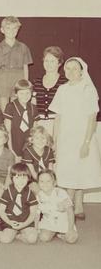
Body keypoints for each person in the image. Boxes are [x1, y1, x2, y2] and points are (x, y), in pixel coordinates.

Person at [48, 57, 101, 220]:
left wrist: (86, 143)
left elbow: (92, 118)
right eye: (67, 68)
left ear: (81, 70)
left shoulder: (87, 89)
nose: (70, 71)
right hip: (66, 137)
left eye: (74, 68)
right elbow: (58, 117)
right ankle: (72, 205)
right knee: (68, 171)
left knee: (80, 170)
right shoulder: (62, 89)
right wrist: (55, 140)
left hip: (82, 137)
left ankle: (75, 205)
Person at [0, 16, 32, 112]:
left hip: (18, 80)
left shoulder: (23, 47)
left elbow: (26, 68)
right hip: (3, 82)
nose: (11, 31)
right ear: (2, 30)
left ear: (18, 30)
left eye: (14, 28)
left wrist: (25, 88)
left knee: (17, 111)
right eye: (8, 28)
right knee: (5, 112)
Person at [0, 163, 38, 244]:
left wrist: (24, 224)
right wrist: (9, 222)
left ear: (28, 178)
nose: (21, 181)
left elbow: (33, 213)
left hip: (25, 222)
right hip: (10, 222)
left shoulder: (30, 193)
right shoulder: (7, 192)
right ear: (12, 178)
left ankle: (18, 236)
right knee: (5, 239)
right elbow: (1, 211)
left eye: (24, 177)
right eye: (17, 178)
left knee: (32, 239)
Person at [35, 170, 78, 244]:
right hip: (48, 222)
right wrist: (36, 228)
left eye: (48, 181)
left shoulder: (61, 193)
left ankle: (60, 234)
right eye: (41, 181)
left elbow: (70, 212)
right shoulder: (39, 196)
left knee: (71, 239)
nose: (45, 184)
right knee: (43, 238)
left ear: (54, 183)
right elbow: (37, 214)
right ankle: (53, 232)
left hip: (64, 222)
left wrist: (70, 229)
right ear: (38, 183)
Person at [33, 46, 66, 136]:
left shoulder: (65, 83)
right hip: (39, 126)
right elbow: (32, 105)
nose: (48, 64)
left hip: (59, 126)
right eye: (46, 61)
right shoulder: (36, 82)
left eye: (52, 61)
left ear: (59, 63)